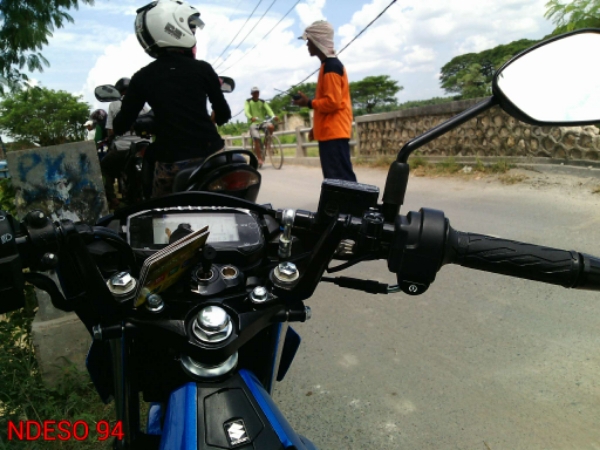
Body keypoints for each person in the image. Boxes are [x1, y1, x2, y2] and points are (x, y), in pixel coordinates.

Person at [113, 0, 231, 198]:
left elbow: (120, 125)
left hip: (173, 164)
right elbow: (224, 114)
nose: (193, 32)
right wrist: (214, 118)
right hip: (212, 155)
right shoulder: (203, 69)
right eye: (190, 27)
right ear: (175, 27)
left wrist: (128, 123)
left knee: (159, 210)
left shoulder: (142, 77)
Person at [293, 20, 357, 182]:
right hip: (331, 132)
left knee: (340, 180)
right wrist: (317, 128)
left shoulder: (331, 67)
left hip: (334, 133)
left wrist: (309, 103)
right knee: (337, 180)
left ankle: (355, 200)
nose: (307, 45)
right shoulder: (327, 66)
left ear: (317, 41)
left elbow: (332, 102)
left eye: (309, 41)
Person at [100, 78, 148, 208]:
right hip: (145, 147)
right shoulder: (143, 104)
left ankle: (113, 200)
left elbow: (110, 131)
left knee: (104, 167)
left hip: (123, 148)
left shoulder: (114, 105)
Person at [244, 87, 277, 167]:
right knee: (256, 139)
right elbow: (246, 111)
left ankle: (267, 143)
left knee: (271, 126)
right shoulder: (248, 101)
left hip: (262, 122)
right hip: (253, 123)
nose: (256, 94)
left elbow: (269, 110)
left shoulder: (262, 101)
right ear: (251, 94)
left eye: (257, 92)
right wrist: (251, 117)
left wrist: (273, 116)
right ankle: (259, 158)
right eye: (254, 93)